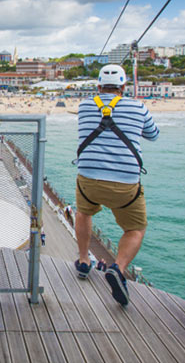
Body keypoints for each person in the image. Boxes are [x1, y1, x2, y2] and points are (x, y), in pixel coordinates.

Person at [73, 64, 159, 306]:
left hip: (88, 178)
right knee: (135, 229)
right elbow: (153, 135)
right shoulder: (138, 106)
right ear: (123, 87)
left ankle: (83, 261)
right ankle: (118, 269)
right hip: (125, 184)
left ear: (98, 87)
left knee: (84, 213)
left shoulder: (85, 105)